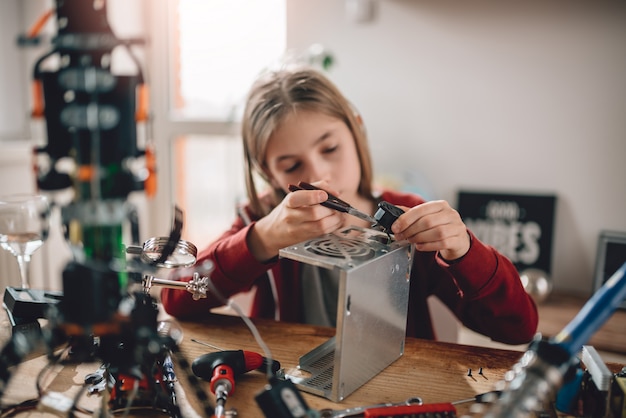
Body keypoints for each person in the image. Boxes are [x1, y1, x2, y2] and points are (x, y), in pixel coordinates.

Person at [161, 66, 538, 345]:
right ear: (268, 172)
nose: (320, 173)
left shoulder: (408, 219)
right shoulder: (259, 220)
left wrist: (466, 252)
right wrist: (260, 239)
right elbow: (175, 296)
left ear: (356, 130)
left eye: (330, 149)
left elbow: (516, 329)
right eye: (292, 166)